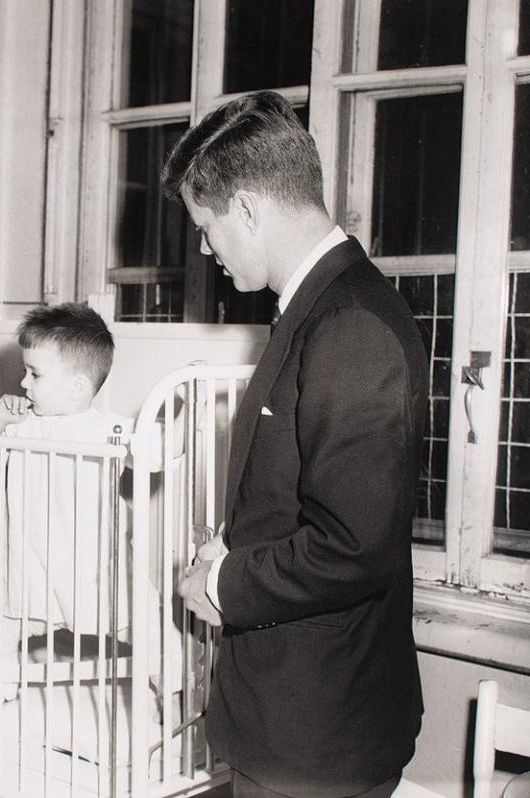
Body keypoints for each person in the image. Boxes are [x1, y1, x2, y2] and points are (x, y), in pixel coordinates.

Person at [170, 92, 427, 797]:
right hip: (295, 723)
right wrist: (233, 548)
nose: (204, 248)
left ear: (247, 208)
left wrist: (223, 584)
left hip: (319, 736)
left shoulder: (351, 327)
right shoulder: (321, 309)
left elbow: (352, 547)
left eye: (206, 225)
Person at [0, 303, 135, 704]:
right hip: (24, 565)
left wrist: (172, 426)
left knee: (138, 624)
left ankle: (169, 680)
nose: (23, 382)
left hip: (86, 567)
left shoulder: (108, 429)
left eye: (34, 373)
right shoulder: (22, 424)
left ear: (76, 387)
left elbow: (155, 454)